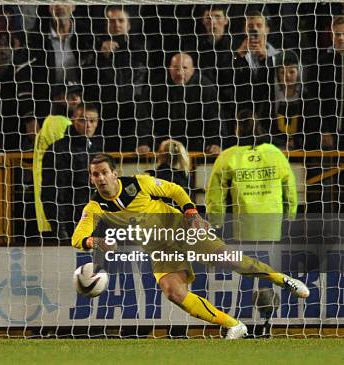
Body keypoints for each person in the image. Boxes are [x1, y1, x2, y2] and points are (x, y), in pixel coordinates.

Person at [71, 153, 308, 339]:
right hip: (159, 248)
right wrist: (93, 241)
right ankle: (234, 325)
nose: (100, 179)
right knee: (172, 291)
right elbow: (77, 237)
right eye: (95, 175)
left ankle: (282, 279)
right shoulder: (94, 207)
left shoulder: (139, 183)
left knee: (229, 259)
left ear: (114, 173)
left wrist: (191, 213)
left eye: (103, 173)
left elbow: (174, 190)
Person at [206, 111, 298, 242]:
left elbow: (214, 193)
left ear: (237, 128)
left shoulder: (228, 156)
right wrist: (290, 217)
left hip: (242, 229)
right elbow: (290, 190)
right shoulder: (275, 153)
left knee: (245, 262)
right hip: (272, 226)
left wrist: (216, 223)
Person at [92, 5, 150, 152]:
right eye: (111, 21)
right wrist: (102, 56)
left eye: (121, 20)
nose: (116, 24)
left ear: (128, 25)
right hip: (106, 119)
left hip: (133, 117)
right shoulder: (95, 51)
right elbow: (90, 80)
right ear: (106, 25)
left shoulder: (141, 50)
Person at [42, 104, 103, 239]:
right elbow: (53, 192)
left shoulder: (95, 149)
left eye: (92, 121)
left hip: (93, 222)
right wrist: (60, 228)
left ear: (97, 122)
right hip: (71, 225)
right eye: (82, 120)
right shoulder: (58, 150)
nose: (88, 125)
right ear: (73, 120)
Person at [149, 52, 223, 153]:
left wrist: (216, 143)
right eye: (175, 68)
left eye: (184, 68)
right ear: (169, 68)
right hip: (164, 145)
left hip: (197, 145)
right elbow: (144, 116)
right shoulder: (156, 87)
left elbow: (215, 118)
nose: (179, 73)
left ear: (193, 70)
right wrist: (143, 143)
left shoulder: (206, 87)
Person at [233, 11, 280, 120]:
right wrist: (238, 55)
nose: (254, 29)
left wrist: (266, 59)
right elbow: (225, 79)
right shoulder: (235, 56)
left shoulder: (278, 57)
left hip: (270, 117)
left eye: (259, 25)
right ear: (245, 30)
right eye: (250, 26)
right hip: (242, 117)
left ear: (267, 30)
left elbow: (279, 87)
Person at [269, 50, 320, 150]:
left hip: (303, 152)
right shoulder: (269, 98)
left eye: (291, 72)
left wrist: (297, 142)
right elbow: (263, 128)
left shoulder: (307, 97)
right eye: (282, 72)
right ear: (277, 76)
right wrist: (281, 143)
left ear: (298, 73)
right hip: (275, 150)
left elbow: (313, 129)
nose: (287, 76)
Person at [315, 16, 344, 150]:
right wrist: (323, 129)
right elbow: (315, 99)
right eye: (337, 34)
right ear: (332, 36)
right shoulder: (322, 63)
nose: (341, 38)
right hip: (329, 132)